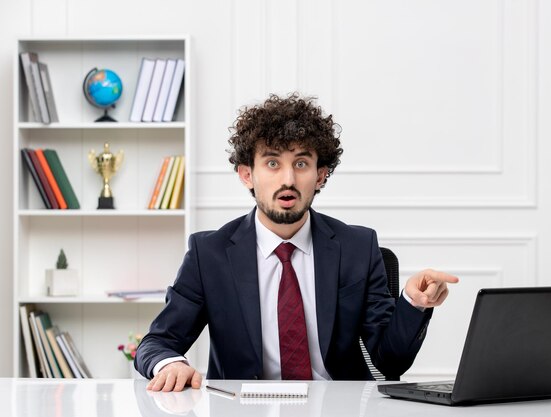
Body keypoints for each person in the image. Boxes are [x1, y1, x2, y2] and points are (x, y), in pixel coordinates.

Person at [135, 93, 459, 392]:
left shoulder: (358, 246)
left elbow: (390, 363)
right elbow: (157, 342)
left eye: (301, 164)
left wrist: (413, 303)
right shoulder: (210, 254)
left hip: (336, 408)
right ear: (247, 175)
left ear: (320, 176)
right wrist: (171, 363)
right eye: (273, 163)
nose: (288, 179)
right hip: (245, 410)